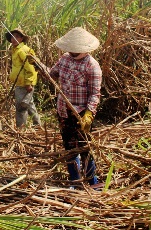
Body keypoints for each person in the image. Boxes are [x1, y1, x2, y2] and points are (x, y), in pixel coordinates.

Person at [48, 27, 102, 188]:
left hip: (80, 115)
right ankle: (75, 181)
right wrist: (37, 65)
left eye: (75, 50)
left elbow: (94, 94)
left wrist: (89, 114)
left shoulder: (92, 66)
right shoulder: (64, 59)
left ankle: (92, 182)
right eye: (70, 50)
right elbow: (52, 74)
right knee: (69, 147)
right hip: (63, 111)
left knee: (85, 148)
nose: (72, 53)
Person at [5, 28, 41, 130]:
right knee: (29, 105)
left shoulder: (22, 50)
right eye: (12, 36)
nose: (14, 39)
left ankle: (21, 129)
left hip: (24, 84)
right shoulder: (15, 50)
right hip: (20, 83)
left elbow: (30, 68)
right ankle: (38, 125)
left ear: (21, 38)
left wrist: (28, 83)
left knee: (21, 107)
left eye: (17, 36)